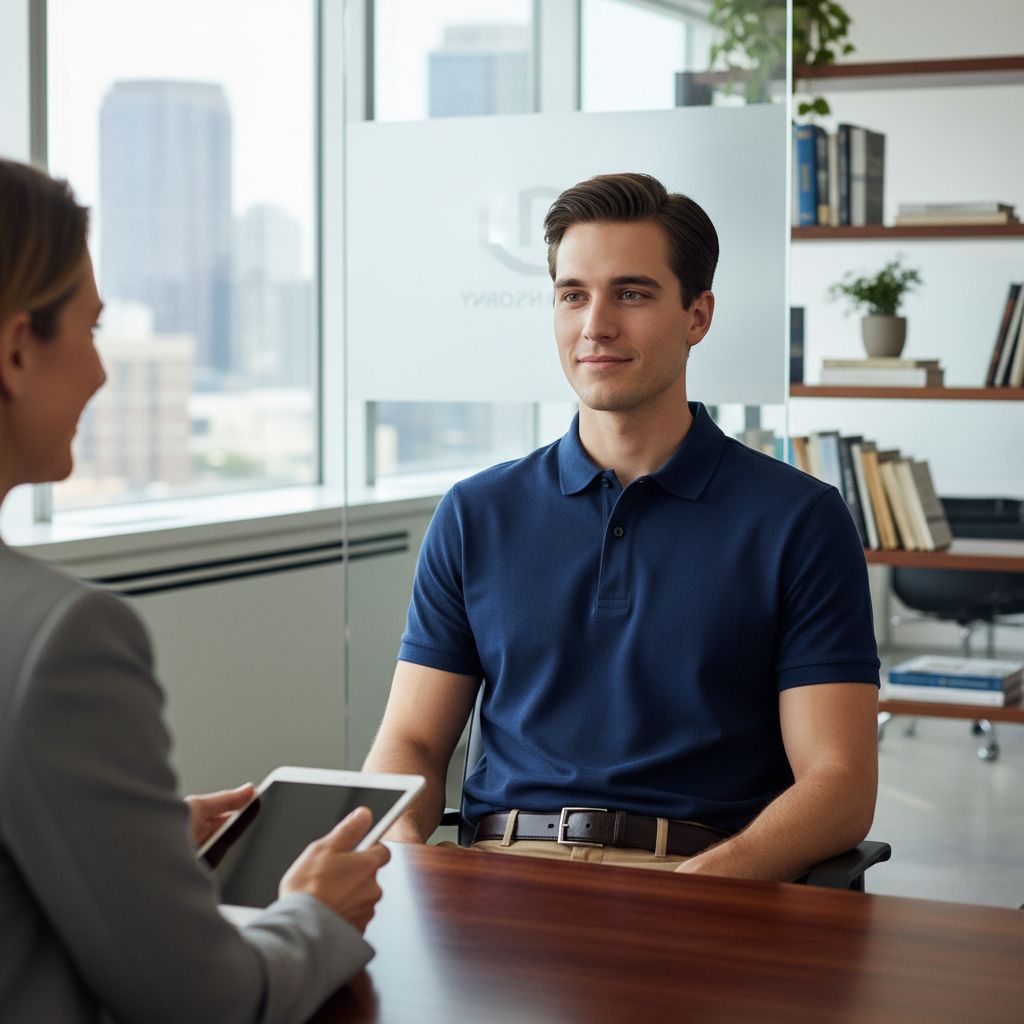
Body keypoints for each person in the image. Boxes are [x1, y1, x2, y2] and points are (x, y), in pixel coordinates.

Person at [363, 172, 880, 882]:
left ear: (697, 317)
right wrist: (403, 858)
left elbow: (840, 784)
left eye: (631, 294)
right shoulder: (476, 512)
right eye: (573, 294)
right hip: (498, 876)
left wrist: (707, 887)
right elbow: (414, 742)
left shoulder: (798, 520)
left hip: (701, 877)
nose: (594, 324)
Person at [0, 157, 389, 1023]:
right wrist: (315, 915)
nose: (102, 376)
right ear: (19, 349)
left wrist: (121, 844)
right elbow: (208, 1003)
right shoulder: (59, 639)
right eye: (91, 333)